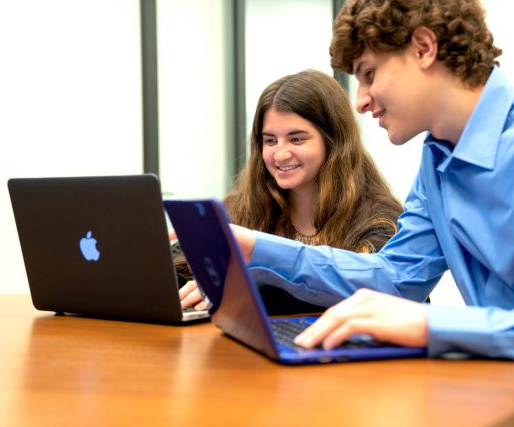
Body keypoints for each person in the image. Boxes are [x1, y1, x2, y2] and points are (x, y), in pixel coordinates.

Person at [225, 0, 514, 420]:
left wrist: (432, 325)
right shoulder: (438, 160)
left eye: (369, 74)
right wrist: (257, 250)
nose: (361, 101)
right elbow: (397, 277)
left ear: (424, 48)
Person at [173, 69, 403, 315]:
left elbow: (373, 297)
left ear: (333, 141)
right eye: (270, 141)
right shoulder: (239, 208)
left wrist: (243, 285)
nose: (280, 155)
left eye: (296, 139)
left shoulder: (380, 219)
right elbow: (178, 275)